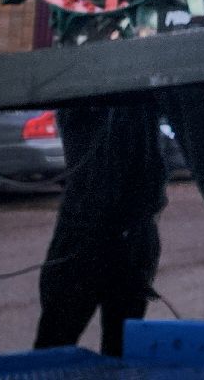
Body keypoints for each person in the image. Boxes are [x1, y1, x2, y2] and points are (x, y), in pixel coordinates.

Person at [32, 102, 169, 357]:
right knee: (55, 343)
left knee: (122, 347)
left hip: (132, 230)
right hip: (87, 232)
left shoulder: (138, 99)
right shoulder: (84, 94)